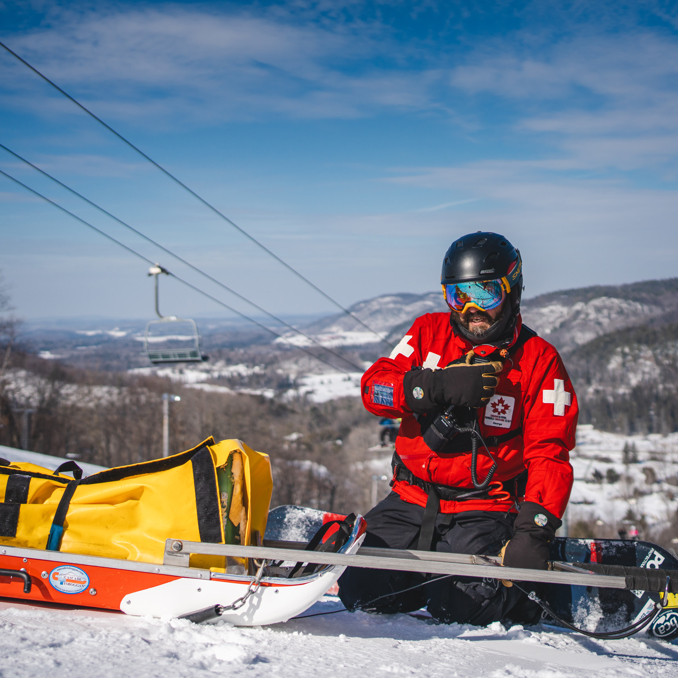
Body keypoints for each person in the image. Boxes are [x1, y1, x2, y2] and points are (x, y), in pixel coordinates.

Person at [338, 231, 578, 625]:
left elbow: (550, 453)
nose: (470, 308)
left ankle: (514, 592)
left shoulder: (539, 361)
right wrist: (432, 386)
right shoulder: (427, 333)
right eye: (457, 295)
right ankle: (428, 576)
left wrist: (534, 532)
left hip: (484, 506)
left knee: (467, 607)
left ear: (512, 290)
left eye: (485, 294)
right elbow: (374, 389)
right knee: (359, 590)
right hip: (412, 498)